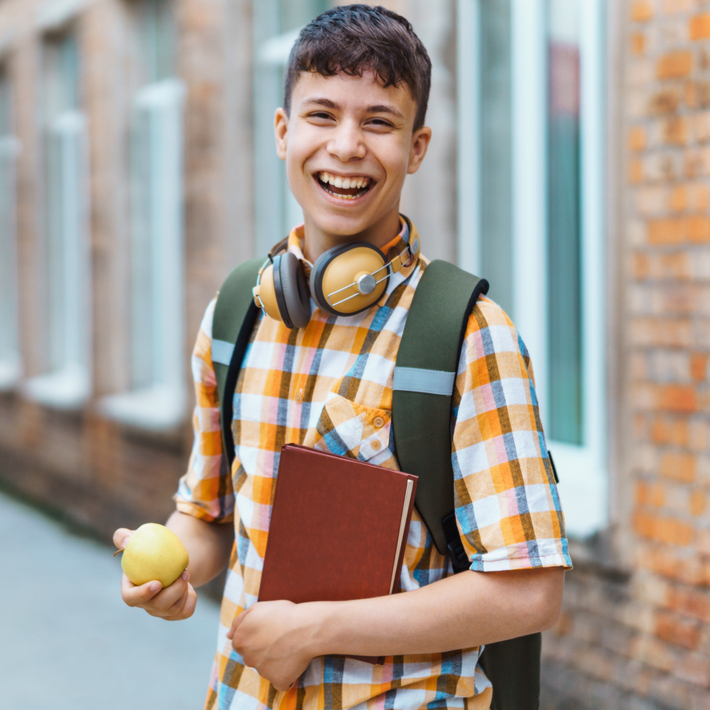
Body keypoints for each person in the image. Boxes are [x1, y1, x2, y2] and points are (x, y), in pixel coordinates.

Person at [114, 5, 572, 709]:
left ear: (416, 149)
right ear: (282, 131)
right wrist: (173, 575)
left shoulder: (468, 336)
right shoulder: (235, 316)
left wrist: (317, 630)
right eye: (322, 115)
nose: (347, 146)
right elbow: (208, 516)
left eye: (379, 122)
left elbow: (531, 589)